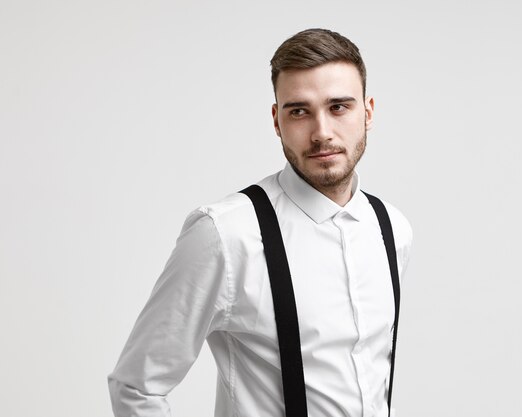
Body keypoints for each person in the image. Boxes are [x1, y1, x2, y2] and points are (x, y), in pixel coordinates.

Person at [108, 28, 412, 417]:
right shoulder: (226, 234)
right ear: (276, 120)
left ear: (367, 112)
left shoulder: (392, 230)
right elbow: (136, 387)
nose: (322, 132)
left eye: (339, 107)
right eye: (299, 111)